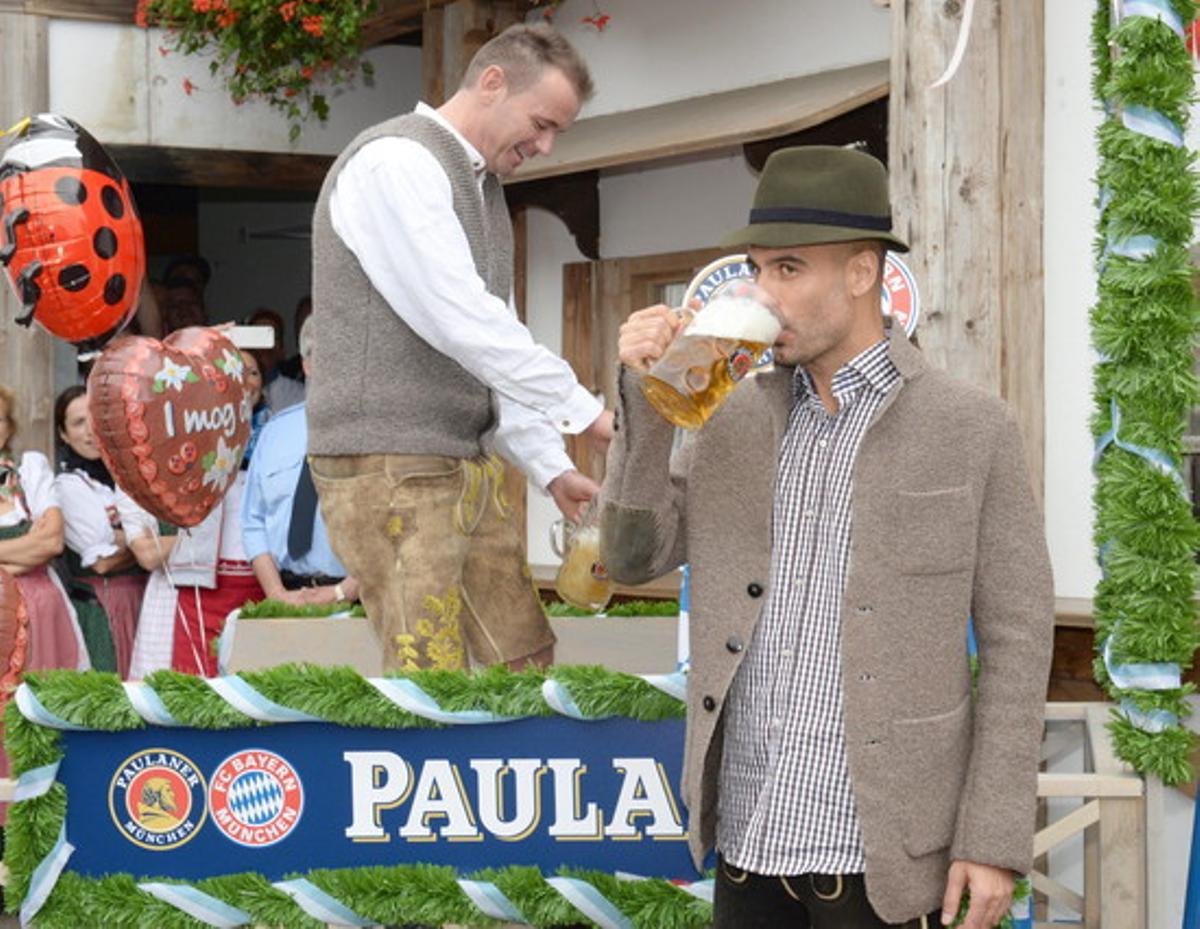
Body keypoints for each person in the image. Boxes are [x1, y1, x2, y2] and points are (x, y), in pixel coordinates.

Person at [600, 146, 1054, 929]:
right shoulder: (730, 416)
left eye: (788, 269)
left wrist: (993, 837)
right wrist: (644, 403)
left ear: (860, 272)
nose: (764, 294)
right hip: (747, 840)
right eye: (757, 270)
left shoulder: (972, 426)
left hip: (888, 862)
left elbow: (1019, 639)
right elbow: (632, 554)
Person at [307, 22, 613, 673]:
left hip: (458, 463)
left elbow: (489, 339)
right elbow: (460, 319)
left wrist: (549, 465)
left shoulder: (481, 187)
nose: (547, 144)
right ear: (492, 82)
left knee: (523, 657)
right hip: (388, 460)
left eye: (559, 130)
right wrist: (585, 411)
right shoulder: (395, 161)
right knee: (430, 674)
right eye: (541, 122)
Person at [120, 350, 266, 677]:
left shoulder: (273, 444)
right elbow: (145, 552)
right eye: (227, 374)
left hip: (258, 592)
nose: (240, 380)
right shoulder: (155, 460)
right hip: (185, 596)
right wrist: (200, 531)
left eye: (251, 372)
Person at [242, 319, 358, 606]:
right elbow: (253, 521)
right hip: (287, 595)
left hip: (359, 598)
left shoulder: (376, 434)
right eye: (325, 356)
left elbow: (392, 523)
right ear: (306, 364)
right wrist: (277, 594)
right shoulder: (274, 431)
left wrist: (344, 591)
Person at [53, 385, 146, 677]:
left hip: (146, 597)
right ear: (64, 434)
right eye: (78, 423)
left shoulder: (130, 476)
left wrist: (125, 538)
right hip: (109, 607)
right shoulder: (70, 486)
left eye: (95, 418)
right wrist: (147, 543)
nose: (90, 431)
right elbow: (102, 562)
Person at [0, 384, 89, 672]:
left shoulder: (28, 470)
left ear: (9, 427)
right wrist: (26, 547)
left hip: (40, 609)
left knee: (45, 704)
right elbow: (38, 545)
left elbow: (51, 543)